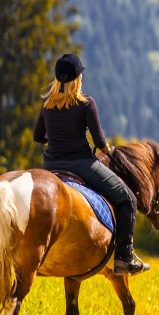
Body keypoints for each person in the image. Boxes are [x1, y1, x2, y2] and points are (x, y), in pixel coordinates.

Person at [33, 53, 150, 274]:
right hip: (82, 164)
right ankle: (124, 257)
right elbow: (98, 141)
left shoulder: (47, 104)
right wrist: (108, 150)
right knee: (127, 199)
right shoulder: (86, 103)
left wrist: (57, 139)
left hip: (51, 167)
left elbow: (38, 137)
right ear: (78, 78)